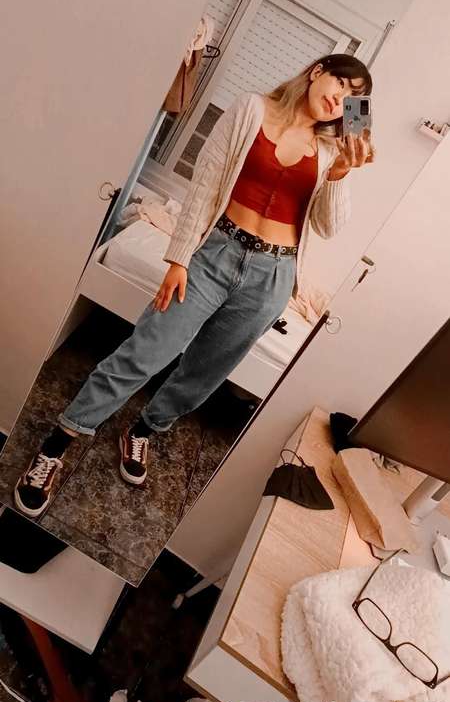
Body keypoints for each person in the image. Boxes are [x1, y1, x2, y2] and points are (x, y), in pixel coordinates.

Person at [15, 54, 375, 517]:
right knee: (144, 353)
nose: (340, 99)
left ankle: (144, 430)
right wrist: (179, 258)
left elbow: (328, 226)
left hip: (271, 277)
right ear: (317, 71)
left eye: (354, 98)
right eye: (340, 83)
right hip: (215, 254)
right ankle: (57, 443)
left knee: (204, 373)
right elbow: (205, 185)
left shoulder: (330, 152)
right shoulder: (251, 109)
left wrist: (341, 176)